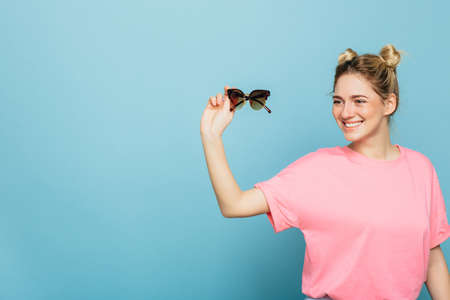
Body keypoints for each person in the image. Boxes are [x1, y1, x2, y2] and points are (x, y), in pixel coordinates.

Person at [200, 44, 450, 300]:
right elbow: (234, 204)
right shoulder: (318, 170)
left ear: (389, 104)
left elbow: (431, 254)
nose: (345, 112)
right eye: (338, 101)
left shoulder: (421, 169)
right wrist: (211, 135)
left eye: (359, 101)